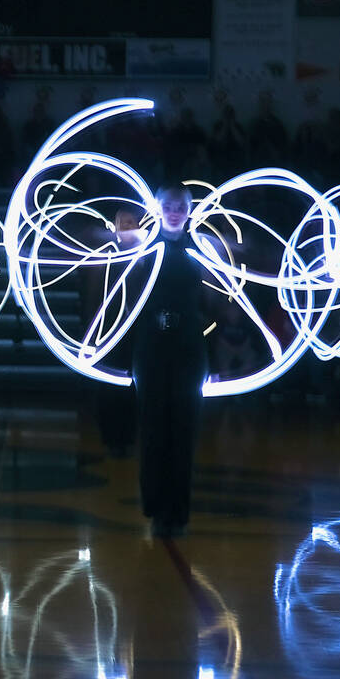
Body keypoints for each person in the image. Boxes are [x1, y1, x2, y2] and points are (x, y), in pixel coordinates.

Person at [132, 186, 208, 538]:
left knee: (183, 428)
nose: (174, 211)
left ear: (189, 210)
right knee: (153, 427)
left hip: (189, 346)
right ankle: (156, 507)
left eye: (181, 206)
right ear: (157, 207)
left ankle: (178, 511)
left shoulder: (199, 248)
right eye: (168, 205)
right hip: (151, 345)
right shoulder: (143, 245)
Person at [88, 206, 144, 457]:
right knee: (110, 386)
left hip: (137, 331)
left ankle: (129, 437)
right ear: (116, 228)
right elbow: (94, 296)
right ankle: (112, 438)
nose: (129, 227)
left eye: (132, 222)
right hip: (109, 331)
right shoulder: (107, 256)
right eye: (124, 223)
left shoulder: (147, 257)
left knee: (135, 384)